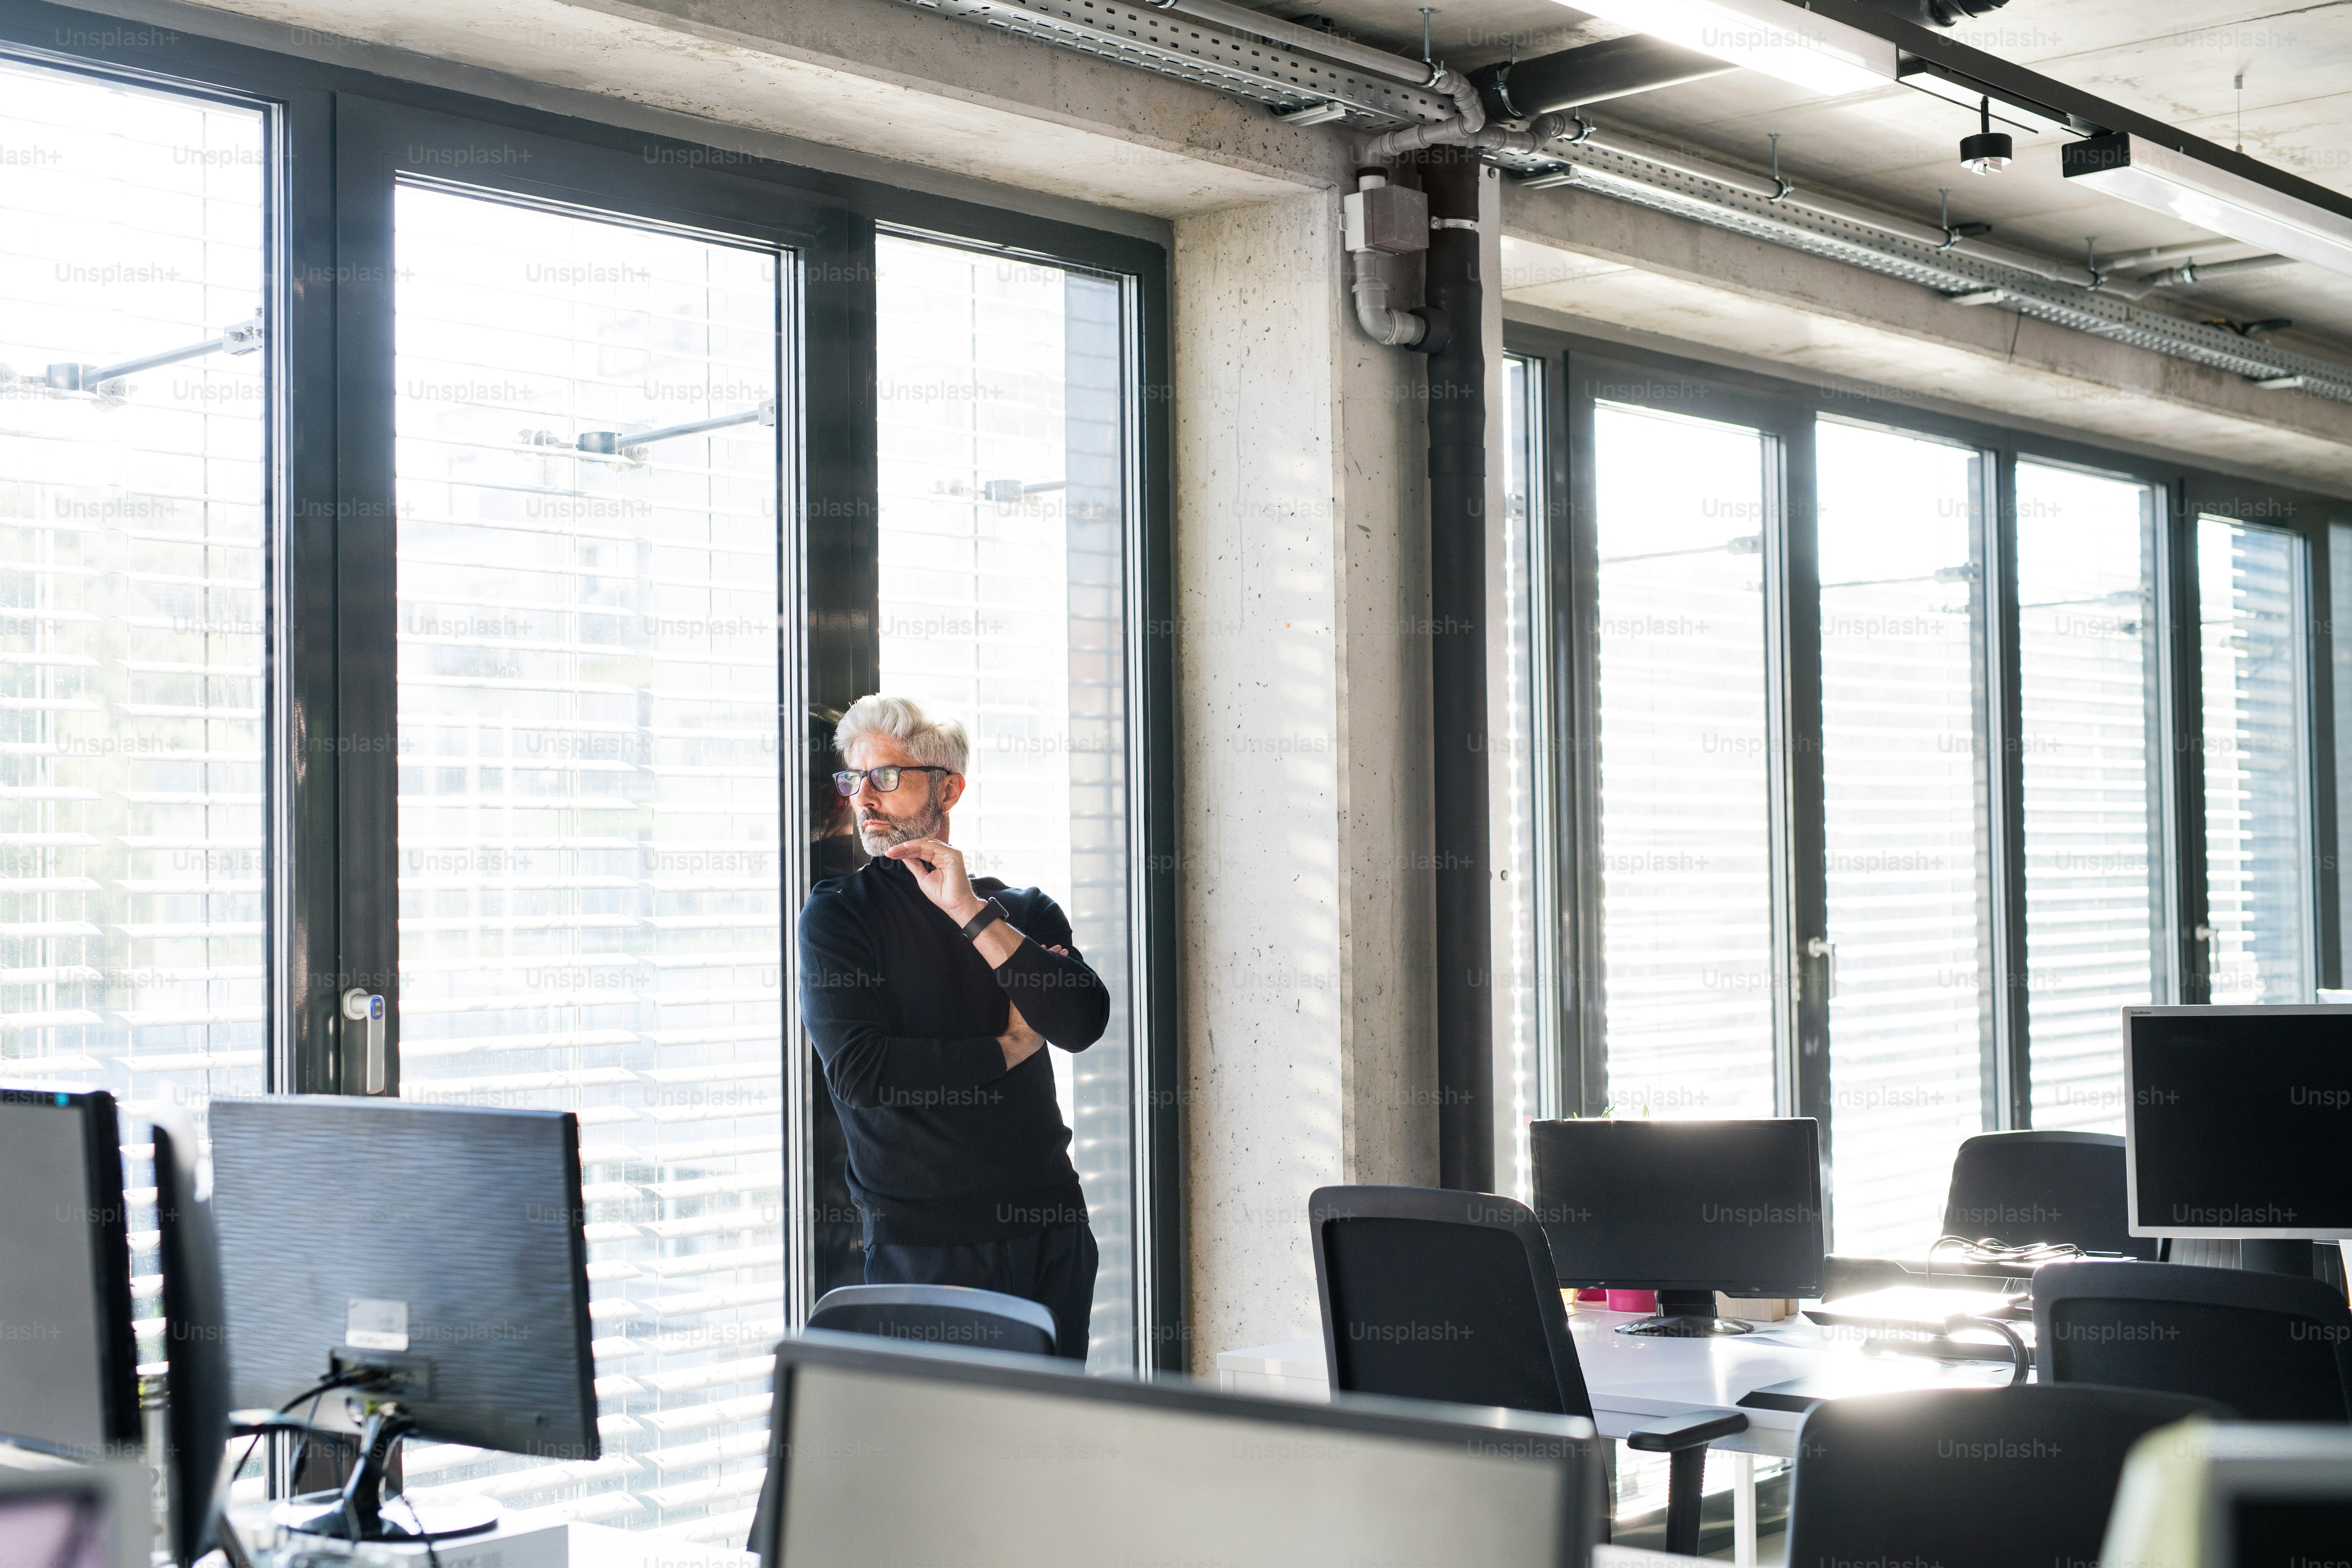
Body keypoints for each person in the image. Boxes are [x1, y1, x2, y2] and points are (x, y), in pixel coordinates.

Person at [797, 694, 1109, 1360]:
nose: (864, 797)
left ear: (949, 787)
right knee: (947, 1459)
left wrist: (971, 913)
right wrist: (1009, 1046)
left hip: (1050, 1231)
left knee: (1046, 1455)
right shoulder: (838, 920)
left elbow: (1081, 1022)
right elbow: (864, 1073)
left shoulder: (1020, 911)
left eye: (885, 776)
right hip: (924, 1247)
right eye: (853, 780)